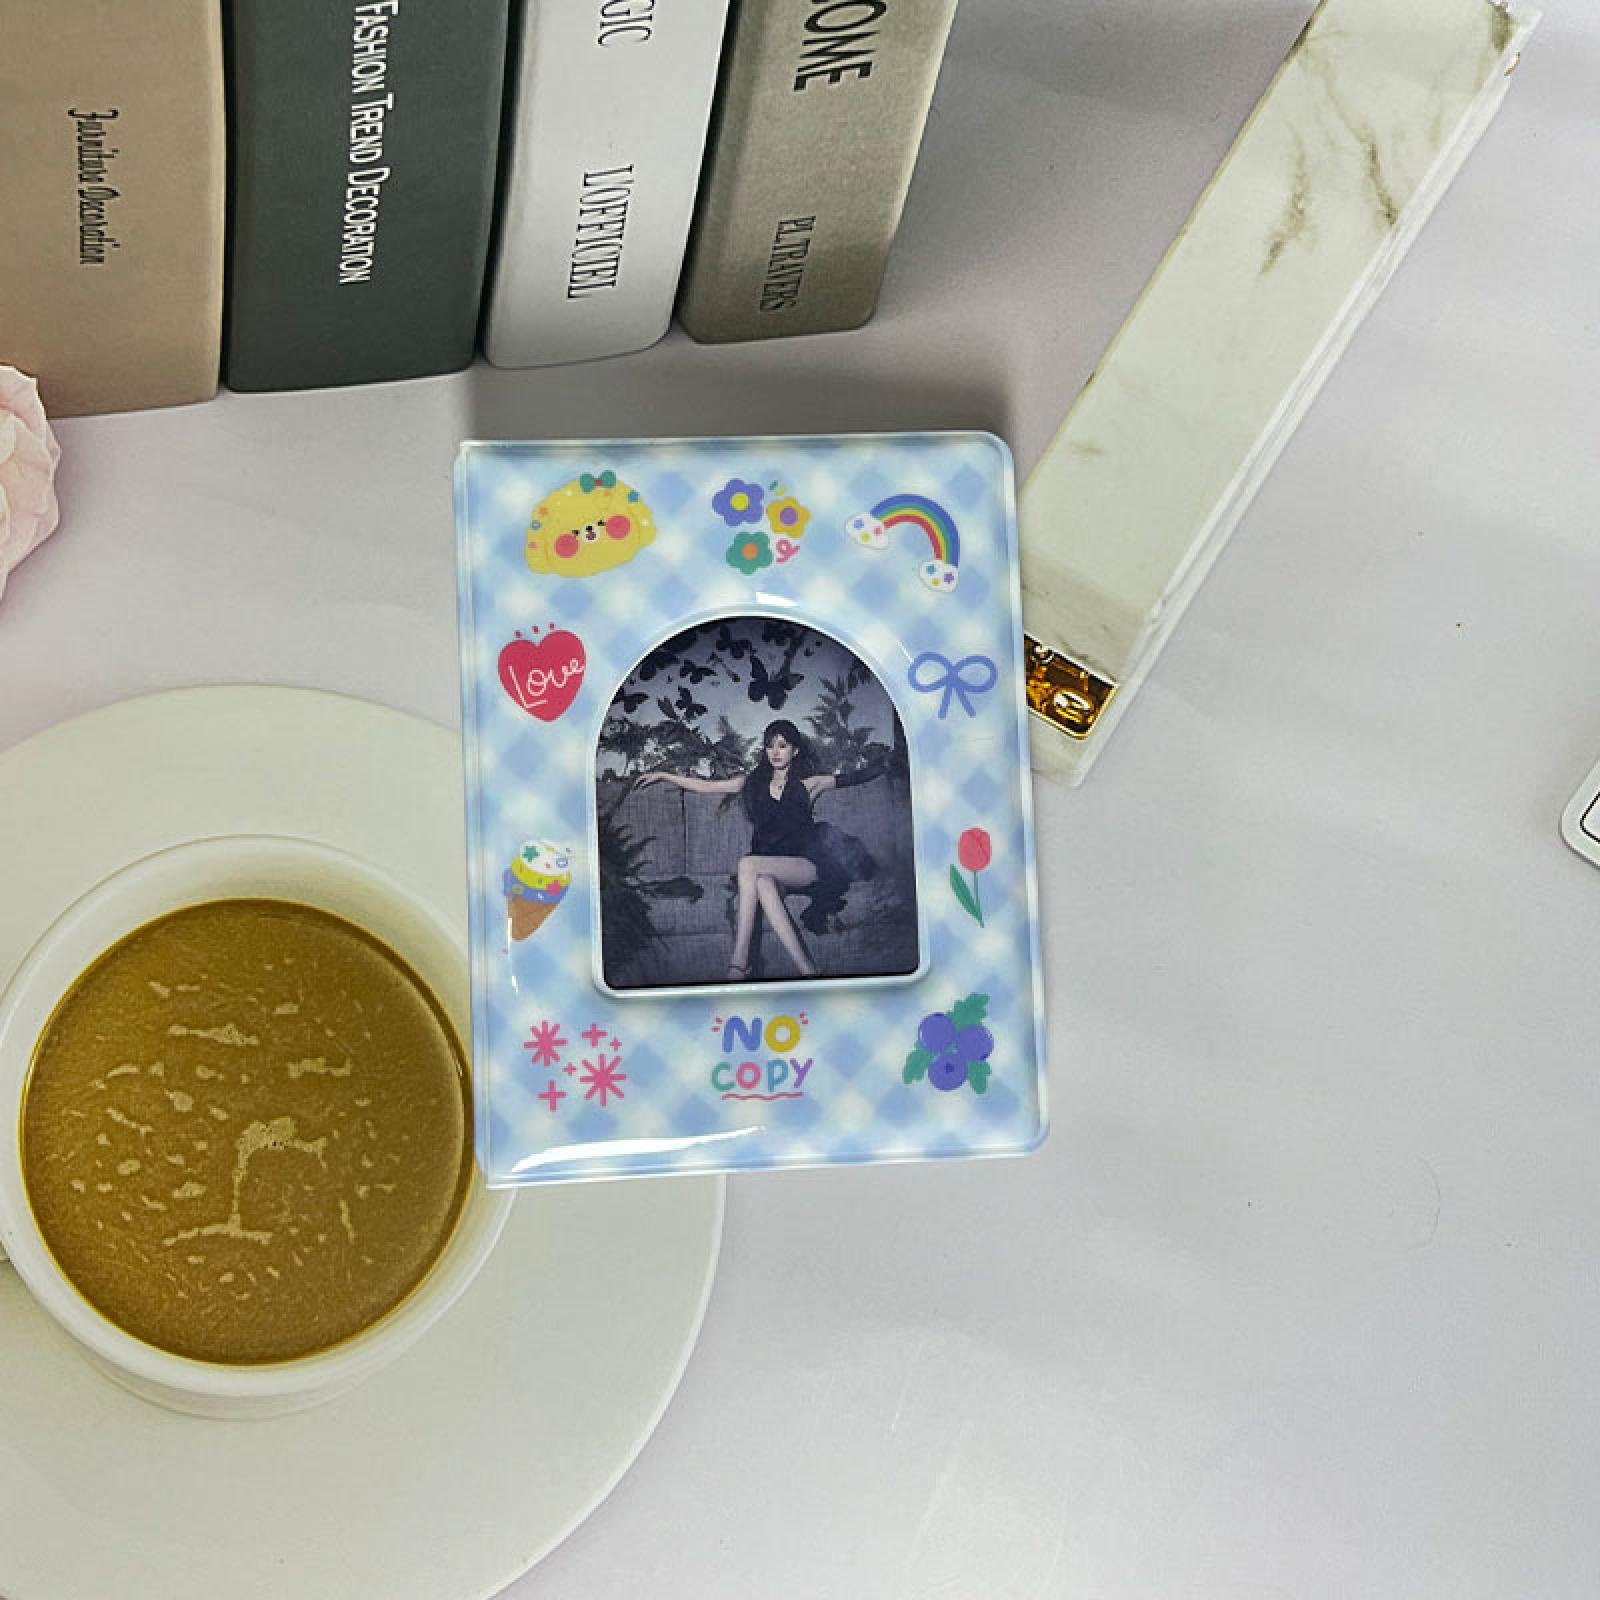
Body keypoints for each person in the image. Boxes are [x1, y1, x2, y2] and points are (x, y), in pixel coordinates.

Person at [635, 719, 880, 982]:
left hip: (807, 864)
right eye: (770, 746)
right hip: (771, 868)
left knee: (748, 864)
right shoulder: (751, 784)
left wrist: (893, 760)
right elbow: (707, 786)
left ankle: (738, 965)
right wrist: (664, 775)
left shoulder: (810, 784)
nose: (775, 752)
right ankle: (809, 970)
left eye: (782, 746)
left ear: (795, 751)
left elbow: (856, 777)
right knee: (762, 883)